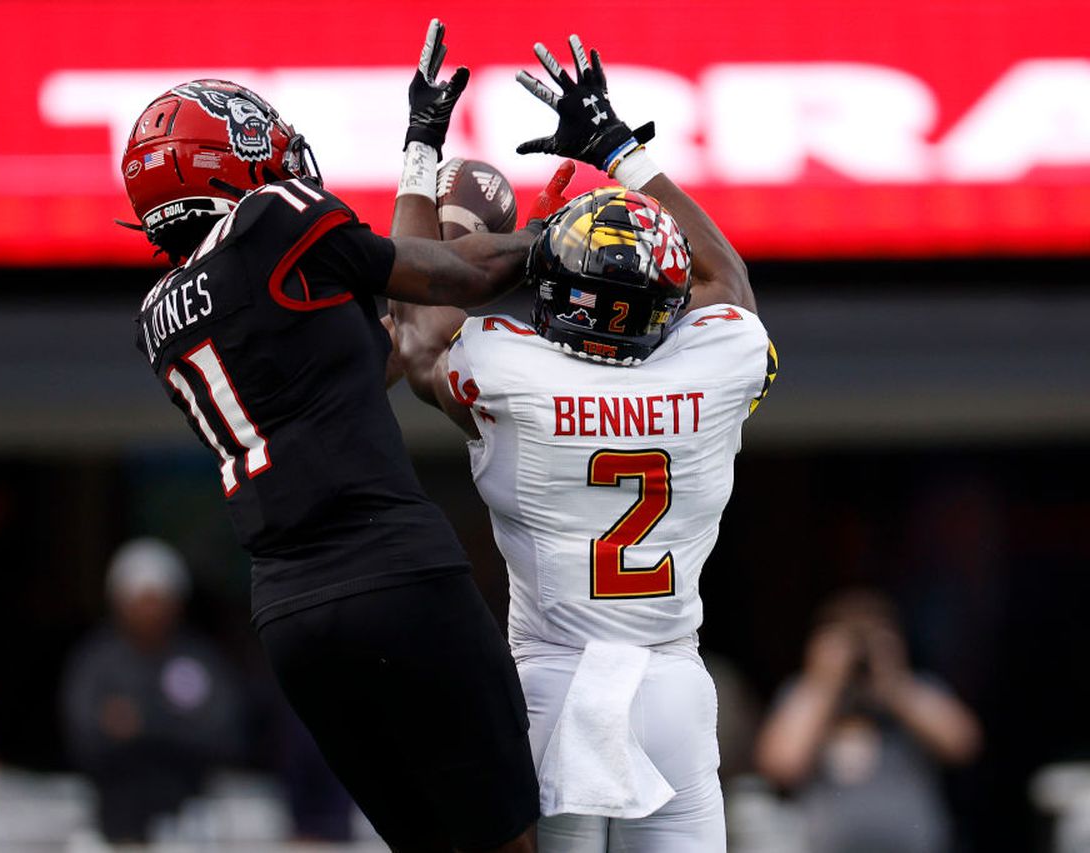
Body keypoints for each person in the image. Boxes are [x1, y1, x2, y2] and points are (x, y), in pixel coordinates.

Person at [116, 21, 543, 851]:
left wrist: (421, 146)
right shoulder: (276, 215)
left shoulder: (156, 317)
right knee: (511, 836)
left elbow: (386, 348)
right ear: (216, 159)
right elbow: (452, 277)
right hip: (394, 570)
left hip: (288, 614)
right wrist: (570, 233)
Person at [388, 35, 778, 852]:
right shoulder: (717, 362)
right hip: (672, 683)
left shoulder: (508, 374)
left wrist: (424, 151)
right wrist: (617, 150)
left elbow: (422, 328)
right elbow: (726, 279)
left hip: (550, 686)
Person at [754, 589, 981, 853]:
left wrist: (894, 683)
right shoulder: (805, 695)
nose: (859, 651)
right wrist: (825, 683)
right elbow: (780, 765)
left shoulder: (917, 691)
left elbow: (963, 744)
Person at [60, 538, 242, 843]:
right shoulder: (96, 662)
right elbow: (83, 735)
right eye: (140, 600)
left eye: (158, 599)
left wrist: (143, 725)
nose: (150, 611)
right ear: (118, 601)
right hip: (114, 820)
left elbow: (225, 733)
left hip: (190, 815)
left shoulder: (198, 659)